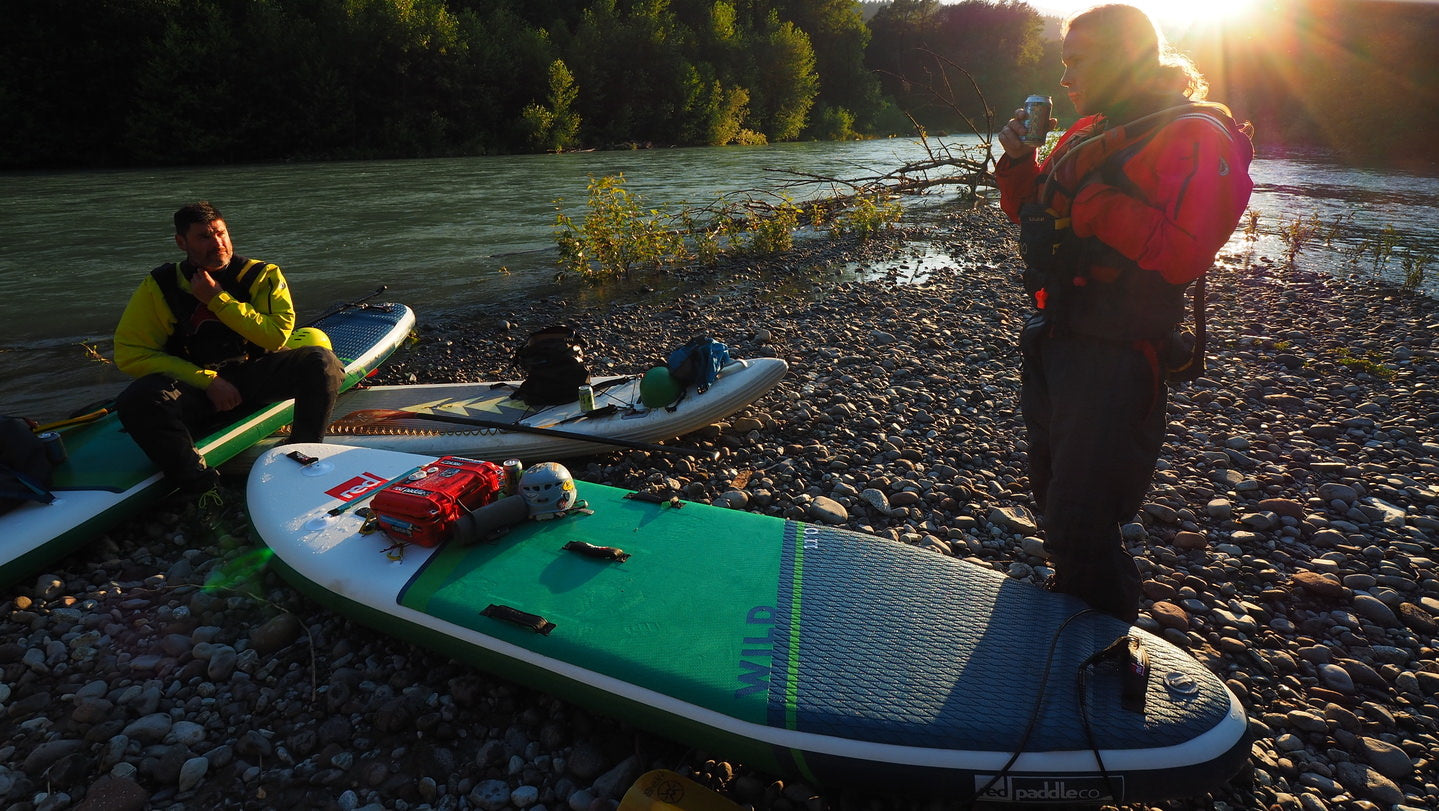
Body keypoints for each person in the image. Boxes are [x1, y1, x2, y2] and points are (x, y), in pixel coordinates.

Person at [993, 4, 1254, 620]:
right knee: (1054, 494)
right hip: (1055, 335)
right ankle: (1076, 614)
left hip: (1116, 351)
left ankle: (1108, 645)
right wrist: (1017, 164)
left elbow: (1186, 254)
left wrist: (1095, 206)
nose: (1065, 78)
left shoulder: (1196, 137)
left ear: (1124, 58)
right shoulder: (1091, 128)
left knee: (1080, 517)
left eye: (1076, 62)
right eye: (1064, 63)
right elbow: (1035, 216)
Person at [114, 201, 344, 501]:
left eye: (220, 233)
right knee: (137, 398)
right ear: (181, 242)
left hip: (253, 377)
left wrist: (217, 299)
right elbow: (129, 353)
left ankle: (302, 453)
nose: (217, 244)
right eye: (204, 237)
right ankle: (201, 489)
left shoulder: (263, 275)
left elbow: (276, 337)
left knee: (322, 362)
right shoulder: (160, 286)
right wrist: (208, 381)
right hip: (197, 390)